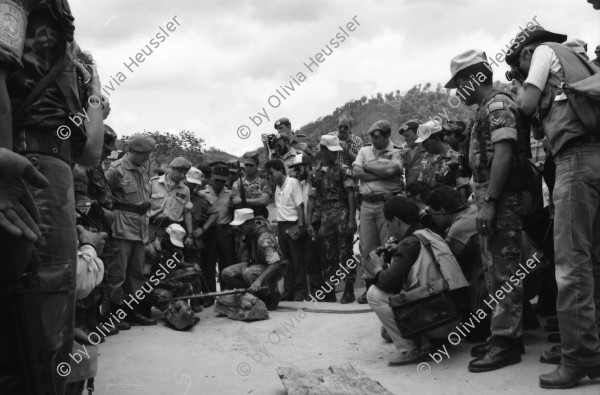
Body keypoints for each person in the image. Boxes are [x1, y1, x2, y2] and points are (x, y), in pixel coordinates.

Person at [0, 3, 105, 393]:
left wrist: (92, 92)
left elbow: (90, 153)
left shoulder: (70, 55)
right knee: (26, 314)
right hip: (24, 164)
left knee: (49, 310)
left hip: (53, 171)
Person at [507, 25, 600, 389]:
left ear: (528, 51)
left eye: (521, 61)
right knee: (593, 260)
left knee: (571, 262)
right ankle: (592, 347)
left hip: (574, 160)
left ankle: (579, 358)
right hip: (595, 155)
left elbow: (527, 107)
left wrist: (519, 91)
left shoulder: (543, 52)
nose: (523, 66)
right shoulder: (580, 62)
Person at [446, 49, 532, 373]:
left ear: (473, 78)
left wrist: (492, 201)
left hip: (501, 200)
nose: (457, 92)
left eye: (459, 83)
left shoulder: (497, 104)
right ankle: (505, 334)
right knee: (495, 271)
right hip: (490, 199)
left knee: (504, 271)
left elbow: (504, 153)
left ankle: (507, 341)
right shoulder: (486, 107)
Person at [366, 196, 465, 366]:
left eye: (388, 225)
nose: (388, 230)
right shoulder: (428, 233)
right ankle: (429, 340)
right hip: (454, 316)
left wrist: (377, 269)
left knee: (374, 293)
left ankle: (411, 349)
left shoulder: (409, 244)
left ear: (396, 221)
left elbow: (387, 283)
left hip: (437, 320)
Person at [425, 186, 490, 342]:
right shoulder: (475, 209)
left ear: (441, 210)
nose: (431, 218)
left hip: (498, 284)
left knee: (460, 279)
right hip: (526, 269)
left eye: (432, 213)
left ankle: (483, 328)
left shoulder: (458, 229)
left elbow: (449, 264)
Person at [106, 135, 157, 326]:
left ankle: (133, 312)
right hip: (122, 226)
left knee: (136, 274)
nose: (146, 158)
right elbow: (104, 196)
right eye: (143, 154)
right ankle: (115, 315)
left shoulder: (142, 169)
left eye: (148, 155)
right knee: (117, 273)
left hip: (140, 226)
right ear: (132, 151)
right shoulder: (116, 170)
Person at [352, 120, 404, 303]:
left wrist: (367, 167)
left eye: (376, 136)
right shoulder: (364, 151)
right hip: (366, 204)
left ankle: (389, 286)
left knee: (387, 244)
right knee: (367, 247)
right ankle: (370, 287)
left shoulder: (396, 151)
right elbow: (355, 172)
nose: (373, 140)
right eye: (370, 136)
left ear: (387, 135)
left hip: (386, 203)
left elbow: (392, 168)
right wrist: (380, 172)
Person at [307, 135, 357, 303]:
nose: (335, 155)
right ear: (322, 150)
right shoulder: (316, 173)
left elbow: (351, 194)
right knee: (329, 255)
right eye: (331, 151)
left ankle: (349, 289)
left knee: (346, 253)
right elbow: (312, 199)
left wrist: (352, 219)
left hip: (342, 212)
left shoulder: (343, 169)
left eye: (336, 151)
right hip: (325, 215)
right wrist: (309, 222)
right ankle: (330, 290)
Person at [221, 209, 285, 310]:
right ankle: (249, 293)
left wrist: (259, 281)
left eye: (241, 226)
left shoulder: (264, 238)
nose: (239, 228)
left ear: (249, 222)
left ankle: (268, 298)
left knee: (248, 273)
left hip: (272, 271)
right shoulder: (249, 233)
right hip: (256, 265)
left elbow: (276, 264)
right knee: (227, 273)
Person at [265, 159, 308, 301]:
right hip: (281, 225)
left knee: (297, 260)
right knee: (286, 261)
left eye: (271, 173)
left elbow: (300, 205)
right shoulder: (277, 186)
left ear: (280, 171)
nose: (270, 176)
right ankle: (288, 290)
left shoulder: (293, 183)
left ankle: (300, 291)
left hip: (292, 224)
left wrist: (300, 226)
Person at [198, 164, 237, 297]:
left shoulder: (231, 194)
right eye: (216, 180)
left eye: (222, 181)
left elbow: (235, 213)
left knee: (227, 263)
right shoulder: (202, 194)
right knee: (208, 264)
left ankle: (227, 294)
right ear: (211, 179)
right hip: (208, 232)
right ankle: (209, 295)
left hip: (225, 231)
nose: (219, 183)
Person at [288, 153, 322, 298]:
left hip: (318, 224)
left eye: (298, 169)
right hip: (305, 228)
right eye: (294, 170)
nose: (296, 173)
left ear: (308, 167)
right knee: (309, 261)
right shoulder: (298, 184)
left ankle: (324, 292)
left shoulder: (317, 181)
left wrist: (312, 223)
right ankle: (313, 292)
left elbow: (320, 205)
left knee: (321, 260)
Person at [148, 157, 194, 241]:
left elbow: (187, 212)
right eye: (180, 172)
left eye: (185, 173)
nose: (182, 176)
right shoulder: (154, 182)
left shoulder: (185, 190)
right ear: (172, 169)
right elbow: (144, 204)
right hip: (150, 227)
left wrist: (190, 235)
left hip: (172, 232)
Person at [411, 121, 463, 189]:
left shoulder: (455, 158)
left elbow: (462, 187)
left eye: (425, 142)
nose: (423, 146)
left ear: (436, 139)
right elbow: (421, 180)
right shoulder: (426, 157)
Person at [231, 152, 271, 219]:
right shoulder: (237, 183)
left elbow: (264, 201)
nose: (248, 168)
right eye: (246, 165)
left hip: (259, 218)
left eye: (251, 165)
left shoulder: (263, 183)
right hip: (242, 219)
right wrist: (256, 201)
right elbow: (235, 201)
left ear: (257, 166)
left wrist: (242, 200)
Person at [399, 119, 429, 186]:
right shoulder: (405, 152)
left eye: (407, 136)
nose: (405, 139)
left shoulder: (428, 150)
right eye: (404, 136)